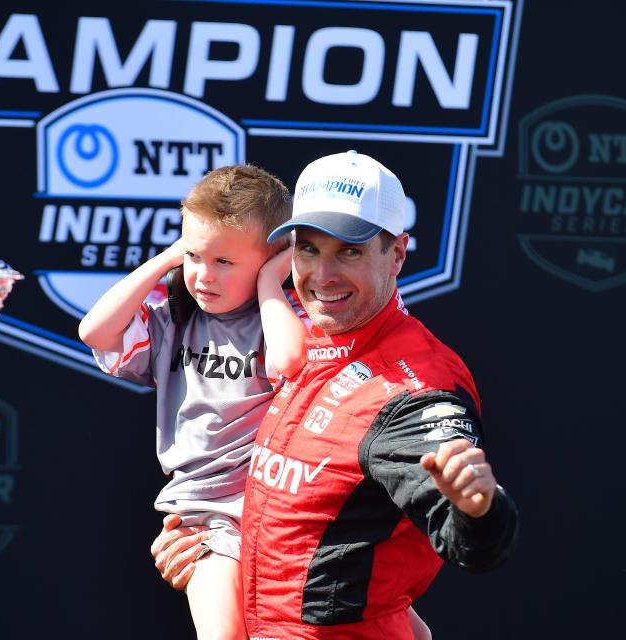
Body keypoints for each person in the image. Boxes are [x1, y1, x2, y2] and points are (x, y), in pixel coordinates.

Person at [151, 150, 519, 640]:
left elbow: (468, 538)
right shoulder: (302, 340)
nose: (322, 276)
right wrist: (204, 547)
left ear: (398, 253)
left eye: (349, 251)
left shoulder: (415, 386)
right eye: (308, 249)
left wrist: (479, 510)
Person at [78, 164, 307, 640]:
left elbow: (288, 360)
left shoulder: (283, 316)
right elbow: (94, 331)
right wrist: (167, 260)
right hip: (207, 520)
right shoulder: (174, 322)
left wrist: (270, 285)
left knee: (402, 628)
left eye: (225, 262)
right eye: (195, 256)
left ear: (273, 258)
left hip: (284, 515)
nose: (204, 275)